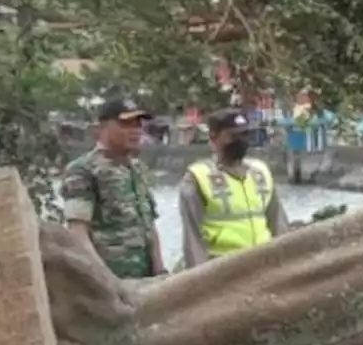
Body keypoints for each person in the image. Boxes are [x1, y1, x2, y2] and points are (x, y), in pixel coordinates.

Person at [60, 97, 164, 279]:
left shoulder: (137, 169)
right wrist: (103, 280)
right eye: (126, 124)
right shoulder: (83, 170)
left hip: (146, 281)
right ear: (102, 128)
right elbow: (78, 233)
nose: (135, 131)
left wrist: (160, 270)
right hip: (111, 285)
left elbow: (149, 225)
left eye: (138, 124)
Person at [179, 107, 290, 269]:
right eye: (233, 136)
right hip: (222, 266)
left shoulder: (260, 172)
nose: (241, 141)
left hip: (263, 262)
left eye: (244, 134)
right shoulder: (198, 178)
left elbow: (278, 223)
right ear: (213, 137)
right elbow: (193, 238)